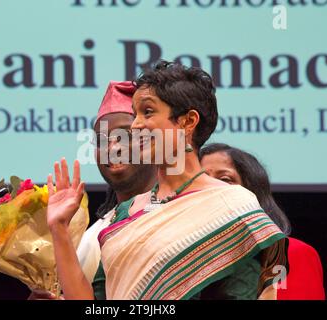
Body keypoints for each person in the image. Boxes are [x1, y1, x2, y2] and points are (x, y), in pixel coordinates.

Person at [46, 60, 288, 300]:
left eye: (148, 112)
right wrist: (59, 229)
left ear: (188, 122)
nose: (136, 124)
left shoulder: (234, 206)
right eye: (135, 114)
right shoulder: (125, 213)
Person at [29, 81, 156, 299]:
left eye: (125, 136)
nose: (112, 148)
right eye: (101, 140)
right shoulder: (92, 236)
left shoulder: (174, 213)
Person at [199, 143, 325, 300]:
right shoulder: (182, 261)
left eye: (225, 179)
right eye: (201, 180)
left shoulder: (291, 253)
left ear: (253, 191)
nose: (210, 187)